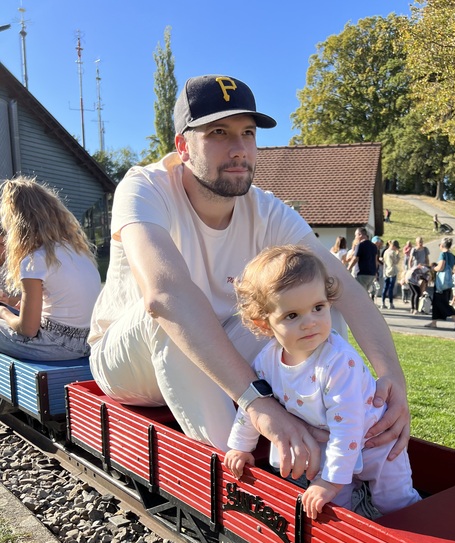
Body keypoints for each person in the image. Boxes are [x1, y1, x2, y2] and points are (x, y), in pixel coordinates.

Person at [88, 73, 410, 484]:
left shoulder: (268, 210)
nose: (239, 148)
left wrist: (391, 377)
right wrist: (259, 404)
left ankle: (332, 442)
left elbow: (342, 287)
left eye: (248, 133)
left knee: (319, 303)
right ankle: (240, 491)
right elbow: (164, 296)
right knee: (168, 315)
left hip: (218, 349)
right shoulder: (144, 188)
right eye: (219, 133)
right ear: (183, 146)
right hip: (128, 362)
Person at [224, 245, 421, 519]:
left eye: (318, 307)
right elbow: (254, 405)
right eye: (292, 315)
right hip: (328, 444)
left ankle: (418, 535)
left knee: (395, 500)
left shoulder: (339, 362)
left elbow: (349, 425)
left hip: (375, 441)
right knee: (331, 506)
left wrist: (330, 480)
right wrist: (241, 447)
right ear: (264, 324)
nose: (310, 323)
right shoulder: (267, 361)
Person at [0, 177, 101, 361]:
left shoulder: (35, 259)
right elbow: (60, 301)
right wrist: (10, 302)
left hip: (55, 345)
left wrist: (3, 312)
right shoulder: (79, 252)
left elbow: (28, 330)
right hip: (89, 341)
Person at [425, 237, 455, 330]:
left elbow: (441, 267)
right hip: (448, 282)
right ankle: (434, 322)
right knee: (437, 302)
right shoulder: (451, 256)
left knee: (441, 302)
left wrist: (433, 268)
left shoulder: (443, 254)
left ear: (442, 245)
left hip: (441, 283)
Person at [347, 226, 378, 297]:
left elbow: (355, 259)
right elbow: (375, 261)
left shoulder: (360, 245)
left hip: (362, 273)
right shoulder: (374, 246)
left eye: (356, 235)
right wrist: (375, 272)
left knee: (359, 294)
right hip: (371, 274)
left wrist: (348, 269)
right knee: (365, 293)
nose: (355, 237)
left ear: (360, 235)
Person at [382, 239, 401, 309]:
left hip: (386, 271)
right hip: (392, 271)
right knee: (391, 288)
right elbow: (396, 262)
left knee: (385, 287)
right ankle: (390, 303)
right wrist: (398, 254)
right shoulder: (393, 252)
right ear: (393, 246)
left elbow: (384, 261)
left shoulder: (385, 251)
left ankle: (383, 302)